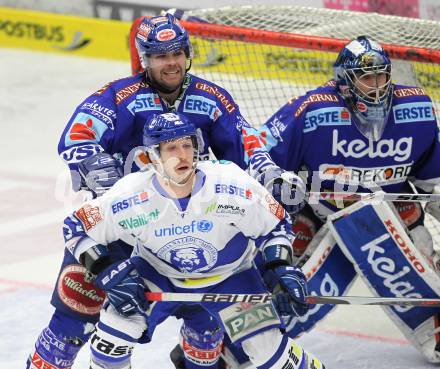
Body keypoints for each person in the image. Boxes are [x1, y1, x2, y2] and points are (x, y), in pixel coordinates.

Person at [26, 13, 305, 369]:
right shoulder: (117, 97)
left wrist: (269, 173)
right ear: (144, 59)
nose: (170, 62)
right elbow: (77, 136)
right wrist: (95, 164)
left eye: (176, 53)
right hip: (121, 228)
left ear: (187, 53)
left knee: (205, 330)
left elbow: (246, 143)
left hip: (190, 228)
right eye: (160, 55)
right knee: (70, 324)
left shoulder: (212, 97)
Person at [213, 35, 440, 367]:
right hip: (321, 210)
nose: (376, 87)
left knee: (422, 253)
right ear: (345, 82)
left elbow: (433, 181)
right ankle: (226, 341)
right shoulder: (313, 111)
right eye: (366, 77)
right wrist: (267, 192)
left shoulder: (417, 110)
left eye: (382, 76)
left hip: (393, 209)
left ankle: (432, 327)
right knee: (277, 271)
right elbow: (257, 151)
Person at [62, 112, 325, 369]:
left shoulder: (230, 183)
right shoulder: (130, 195)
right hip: (157, 273)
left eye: (187, 144)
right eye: (172, 147)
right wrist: (106, 270)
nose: (183, 154)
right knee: (111, 339)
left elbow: (275, 224)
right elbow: (75, 227)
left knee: (269, 352)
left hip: (231, 276)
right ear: (151, 156)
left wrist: (281, 268)